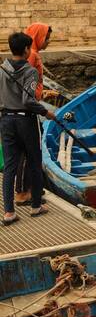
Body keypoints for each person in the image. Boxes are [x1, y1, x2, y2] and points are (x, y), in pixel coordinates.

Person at [1, 31, 56, 224]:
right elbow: (28, 100)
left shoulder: (2, 69)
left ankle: (8, 212)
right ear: (26, 50)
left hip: (6, 119)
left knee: (10, 166)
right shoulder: (30, 71)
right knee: (34, 160)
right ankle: (35, 205)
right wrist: (45, 112)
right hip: (26, 120)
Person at [14, 21, 52, 202]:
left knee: (29, 151)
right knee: (27, 152)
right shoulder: (32, 55)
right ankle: (23, 192)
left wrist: (41, 93)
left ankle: (31, 189)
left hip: (25, 107)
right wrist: (42, 109)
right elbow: (26, 85)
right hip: (27, 110)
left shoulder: (32, 54)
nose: (48, 42)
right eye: (47, 38)